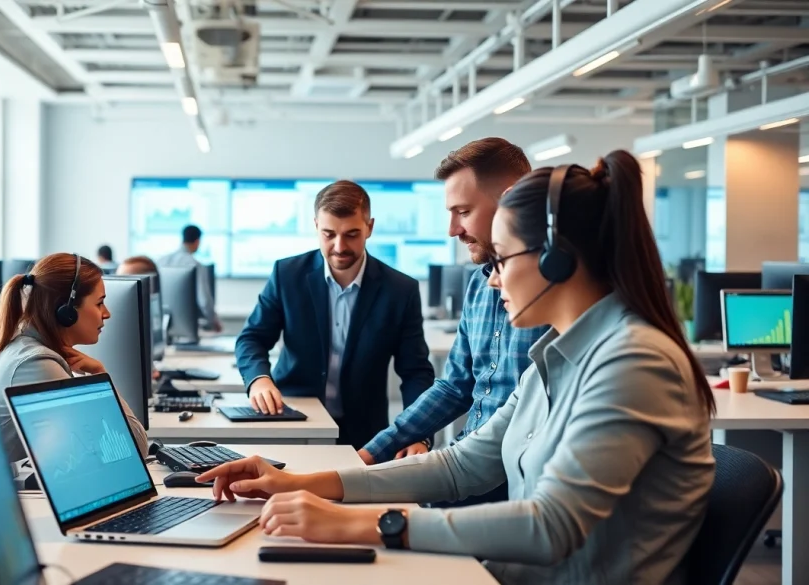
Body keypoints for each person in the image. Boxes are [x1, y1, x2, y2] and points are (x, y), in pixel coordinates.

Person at [199, 151, 716, 584]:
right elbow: (462, 464)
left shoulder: (633, 361)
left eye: (503, 259)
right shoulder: (558, 358)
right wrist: (307, 484)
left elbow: (551, 527)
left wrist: (363, 524)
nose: (492, 281)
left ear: (555, 260)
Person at [358, 138, 544, 510]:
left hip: (512, 476)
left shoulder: (548, 295)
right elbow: (456, 385)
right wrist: (375, 451)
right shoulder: (479, 282)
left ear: (510, 201)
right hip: (467, 459)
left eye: (462, 211)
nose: (452, 230)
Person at [234, 180, 435, 448]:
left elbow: (415, 372)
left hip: (365, 435)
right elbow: (252, 338)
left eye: (351, 234)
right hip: (294, 424)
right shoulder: (287, 275)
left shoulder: (400, 290)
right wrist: (259, 380)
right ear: (316, 226)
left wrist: (418, 434)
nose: (339, 246)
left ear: (369, 228)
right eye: (329, 234)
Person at [0, 253, 148, 461]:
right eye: (99, 303)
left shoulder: (23, 348)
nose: (107, 313)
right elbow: (131, 449)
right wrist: (101, 377)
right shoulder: (37, 365)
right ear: (67, 311)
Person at [157, 225, 221, 332]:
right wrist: (213, 321)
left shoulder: (161, 261)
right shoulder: (195, 265)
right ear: (197, 241)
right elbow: (204, 300)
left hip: (162, 324)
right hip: (188, 327)